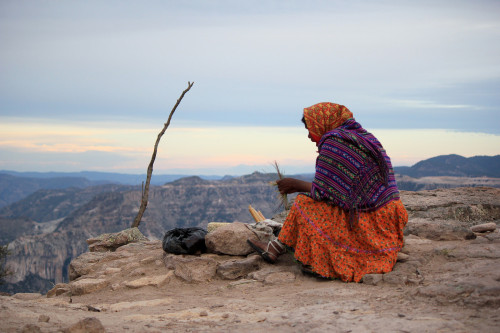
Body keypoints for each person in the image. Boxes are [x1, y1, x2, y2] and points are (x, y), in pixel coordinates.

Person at [247, 102, 408, 282]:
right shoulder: (363, 138)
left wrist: (295, 184)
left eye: (309, 129)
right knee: (313, 203)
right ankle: (276, 247)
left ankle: (314, 259)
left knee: (304, 204)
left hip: (370, 220)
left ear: (320, 123)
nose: (309, 136)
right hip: (389, 219)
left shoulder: (334, 142)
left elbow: (325, 192)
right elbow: (342, 191)